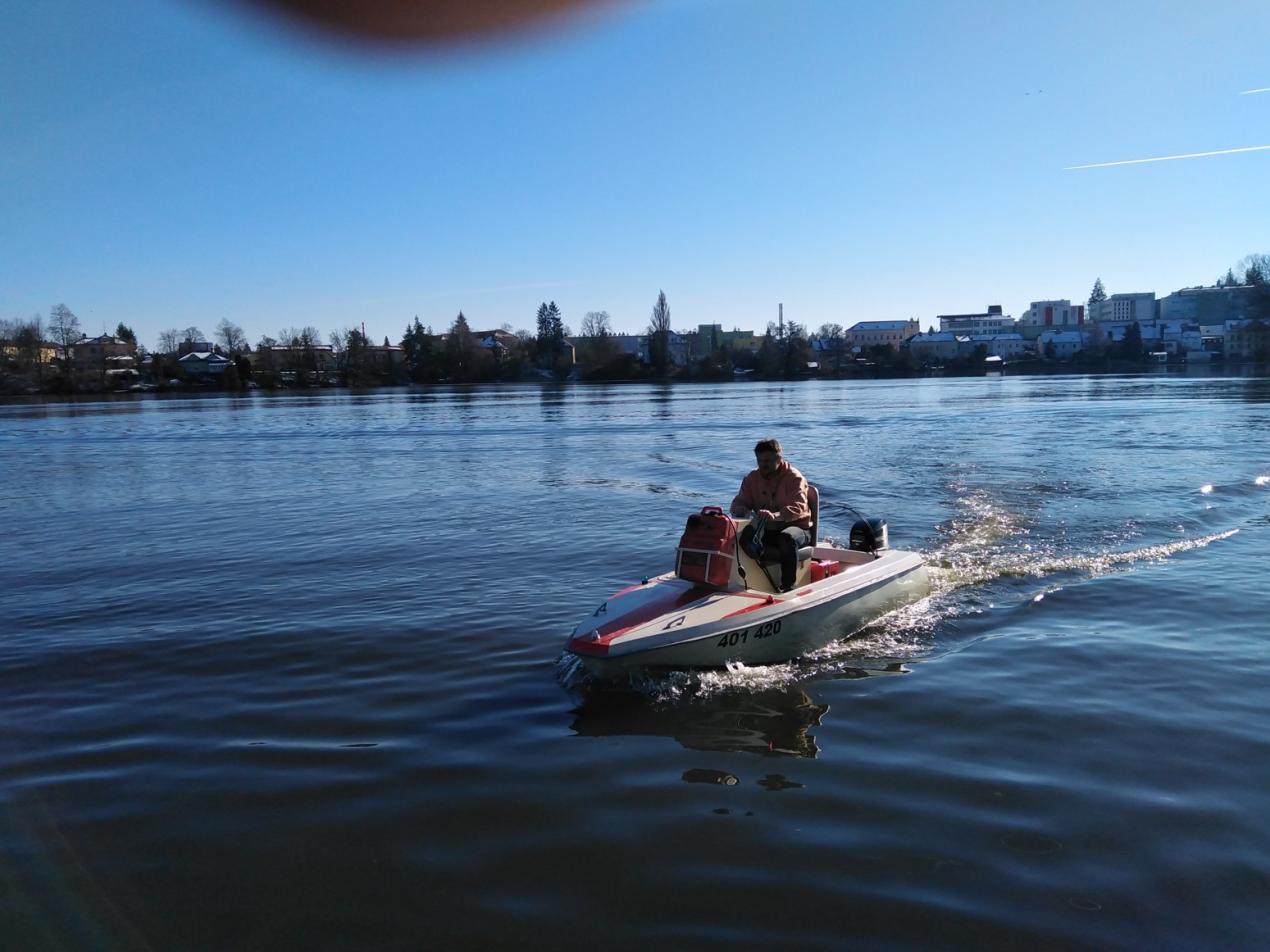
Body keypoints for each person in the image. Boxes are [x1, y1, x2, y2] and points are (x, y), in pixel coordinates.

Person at [730, 438, 811, 591]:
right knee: (738, 535)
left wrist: (776, 515)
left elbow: (798, 508)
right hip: (767, 529)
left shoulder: (794, 478)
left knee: (786, 537)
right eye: (759, 461)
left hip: (798, 528)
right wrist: (744, 511)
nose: (763, 465)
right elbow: (738, 503)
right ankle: (747, 580)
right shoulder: (752, 479)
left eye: (767, 461)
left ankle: (788, 586)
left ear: (779, 459)